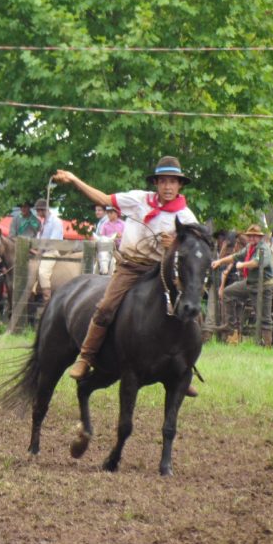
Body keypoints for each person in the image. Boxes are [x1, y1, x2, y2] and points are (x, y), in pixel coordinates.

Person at [53, 156, 199, 394]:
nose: (168, 186)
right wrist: (74, 179)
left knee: (188, 311)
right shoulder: (138, 200)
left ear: (180, 185)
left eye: (173, 181)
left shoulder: (186, 215)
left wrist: (174, 244)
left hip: (160, 270)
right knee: (106, 307)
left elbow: (193, 248)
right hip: (130, 267)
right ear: (156, 183)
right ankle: (86, 356)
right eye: (163, 181)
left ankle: (184, 368)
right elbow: (103, 198)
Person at [211, 224, 273, 346]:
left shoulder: (264, 248)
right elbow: (234, 256)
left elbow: (257, 262)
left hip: (264, 286)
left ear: (259, 237)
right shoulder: (248, 248)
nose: (251, 238)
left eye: (254, 236)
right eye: (250, 236)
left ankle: (267, 346)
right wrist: (219, 261)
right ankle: (231, 329)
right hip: (250, 282)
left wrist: (242, 265)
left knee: (264, 317)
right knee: (227, 292)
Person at [33, 198, 64, 305]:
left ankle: (47, 300)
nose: (37, 213)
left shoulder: (56, 222)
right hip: (41, 251)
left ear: (43, 210)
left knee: (43, 273)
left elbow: (53, 241)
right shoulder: (43, 222)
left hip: (51, 251)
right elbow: (38, 238)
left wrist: (40, 249)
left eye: (38, 211)